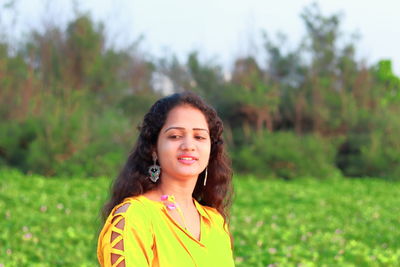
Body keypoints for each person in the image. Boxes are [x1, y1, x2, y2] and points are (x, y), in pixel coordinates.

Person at [97, 91, 235, 266]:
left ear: (210, 149)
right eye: (175, 136)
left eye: (199, 137)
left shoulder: (215, 222)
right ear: (154, 148)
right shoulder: (135, 217)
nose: (189, 146)